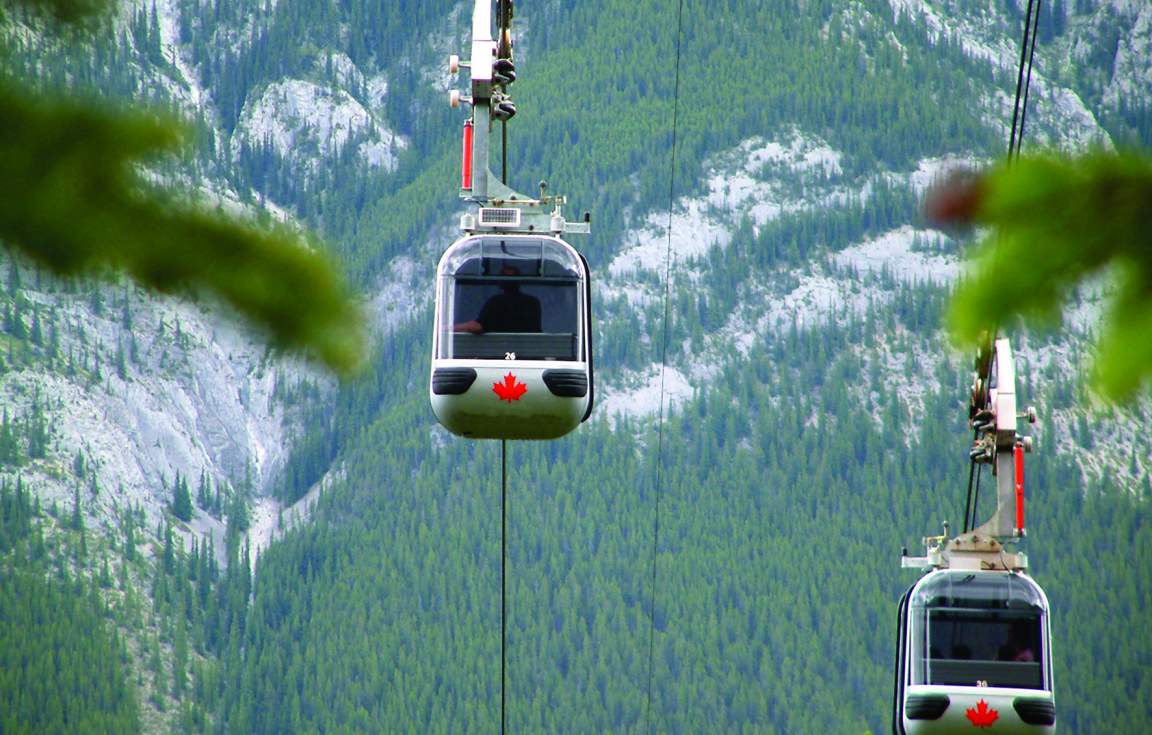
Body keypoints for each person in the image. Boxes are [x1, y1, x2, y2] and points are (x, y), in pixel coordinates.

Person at [454, 266, 542, 334]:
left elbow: (477, 327)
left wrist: (447, 328)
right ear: (520, 282)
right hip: (528, 353)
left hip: (497, 352)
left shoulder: (496, 302)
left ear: (500, 283)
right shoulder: (532, 302)